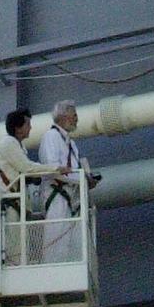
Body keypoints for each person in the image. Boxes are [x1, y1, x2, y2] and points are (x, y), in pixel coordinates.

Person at [0, 108, 58, 265]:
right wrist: (54, 168)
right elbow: (26, 167)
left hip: (16, 202)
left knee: (19, 244)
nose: (30, 128)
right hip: (10, 203)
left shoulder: (16, 145)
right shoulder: (8, 143)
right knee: (14, 245)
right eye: (27, 124)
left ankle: (18, 264)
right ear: (18, 127)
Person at [38, 101, 98, 262]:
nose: (77, 119)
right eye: (74, 115)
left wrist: (85, 179)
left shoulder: (71, 143)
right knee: (56, 237)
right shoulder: (51, 137)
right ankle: (52, 270)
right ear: (64, 117)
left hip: (72, 196)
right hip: (57, 194)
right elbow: (52, 167)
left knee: (71, 241)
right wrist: (77, 177)